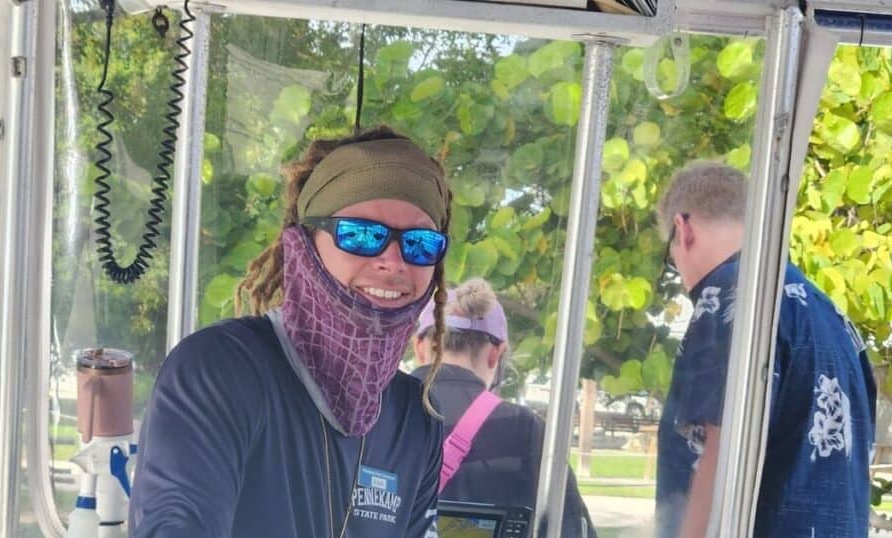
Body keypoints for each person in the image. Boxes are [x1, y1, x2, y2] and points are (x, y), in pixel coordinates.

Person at [130, 126, 455, 537]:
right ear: (304, 246)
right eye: (360, 235)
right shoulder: (218, 370)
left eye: (421, 243)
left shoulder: (416, 416)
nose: (393, 261)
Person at [654, 161, 877, 538]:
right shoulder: (832, 316)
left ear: (684, 229)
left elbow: (720, 457)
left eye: (670, 257)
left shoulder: (728, 296)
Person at [411, 278, 597, 538]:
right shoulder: (527, 430)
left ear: (419, 347)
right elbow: (572, 530)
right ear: (496, 354)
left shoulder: (372, 412)